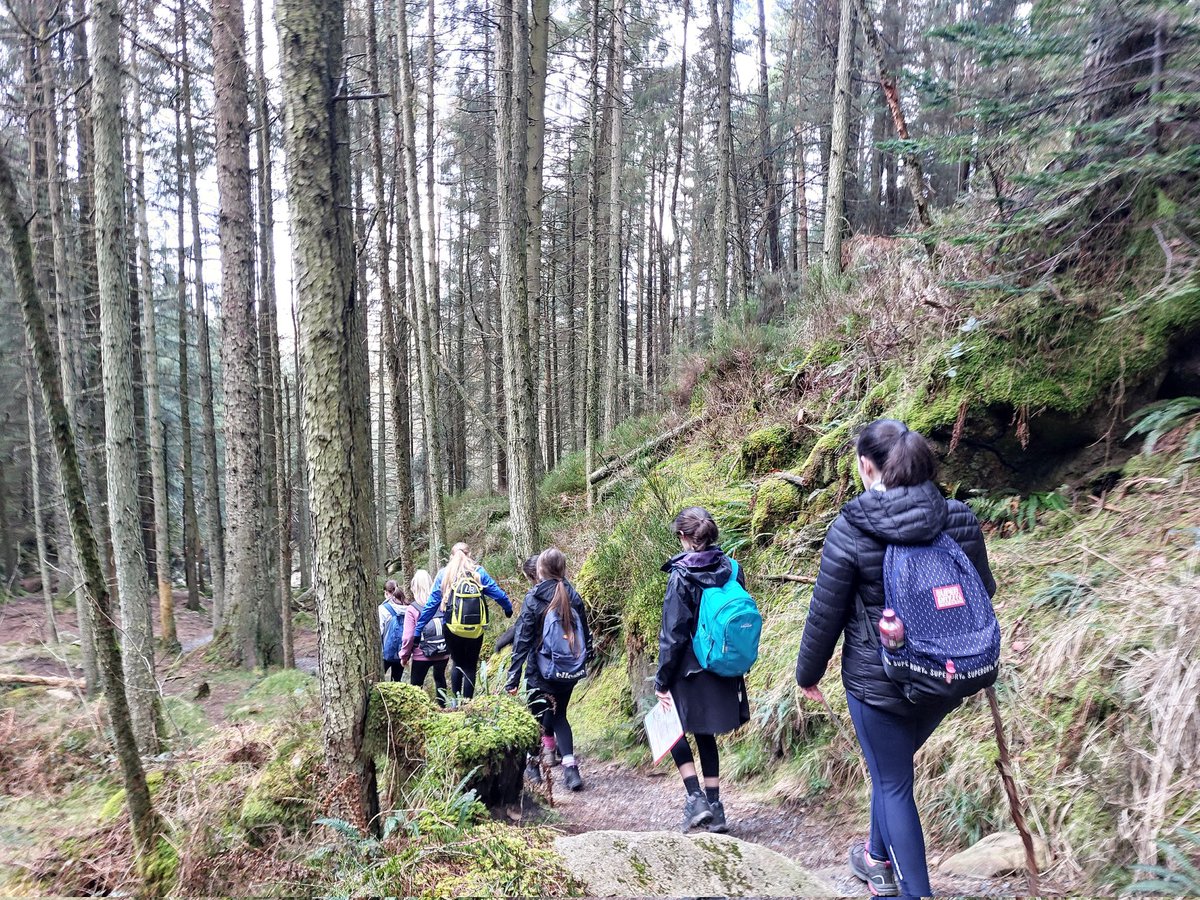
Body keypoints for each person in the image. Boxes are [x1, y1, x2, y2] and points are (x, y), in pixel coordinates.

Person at [794, 419, 996, 899]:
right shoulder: (958, 517)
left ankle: (915, 893)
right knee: (891, 771)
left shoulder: (852, 528)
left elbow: (827, 612)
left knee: (893, 785)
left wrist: (808, 673)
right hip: (949, 675)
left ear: (866, 467)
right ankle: (877, 857)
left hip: (879, 682)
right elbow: (982, 590)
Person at [655, 507, 750, 834]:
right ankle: (717, 807)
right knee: (704, 733)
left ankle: (695, 799)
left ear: (684, 537)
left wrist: (662, 680)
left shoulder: (681, 575)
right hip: (722, 666)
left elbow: (673, 633)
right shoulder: (733, 568)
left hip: (688, 669)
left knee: (671, 728)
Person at [506, 547, 591, 792]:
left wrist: (513, 676)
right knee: (560, 715)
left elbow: (523, 639)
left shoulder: (534, 597)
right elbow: (584, 632)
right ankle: (571, 770)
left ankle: (533, 767)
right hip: (569, 670)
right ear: (563, 569)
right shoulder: (573, 594)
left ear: (540, 570)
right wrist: (586, 658)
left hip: (540, 671)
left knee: (536, 718)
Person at [412, 542, 512, 700]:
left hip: (452, 628)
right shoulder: (478, 572)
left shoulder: (444, 574)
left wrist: (418, 630)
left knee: (457, 663)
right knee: (470, 666)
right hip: (476, 628)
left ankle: (455, 703)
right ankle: (468, 704)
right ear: (470, 555)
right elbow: (498, 594)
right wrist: (508, 609)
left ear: (451, 557)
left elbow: (431, 605)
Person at [399, 569, 450, 706]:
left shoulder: (413, 609)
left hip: (421, 655)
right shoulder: (441, 604)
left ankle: (416, 710)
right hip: (443, 651)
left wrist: (404, 656)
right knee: (440, 678)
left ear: (414, 587)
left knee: (416, 686)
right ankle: (443, 708)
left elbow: (408, 637)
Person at [378, 579, 407, 682]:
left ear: (386, 593)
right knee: (396, 681)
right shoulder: (407, 607)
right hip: (402, 651)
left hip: (385, 651)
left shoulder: (383, 609)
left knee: (379, 681)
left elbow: (380, 630)